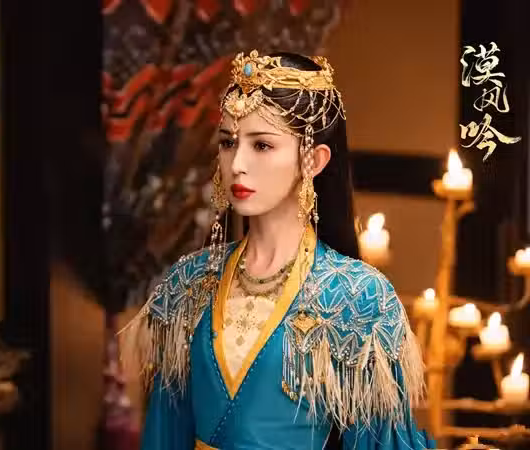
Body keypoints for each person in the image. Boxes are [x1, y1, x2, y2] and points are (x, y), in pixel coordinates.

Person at [121, 51, 436, 450]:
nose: (237, 163)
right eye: (228, 142)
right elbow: (163, 435)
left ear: (313, 160)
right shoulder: (189, 282)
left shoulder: (357, 297)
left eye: (262, 145)